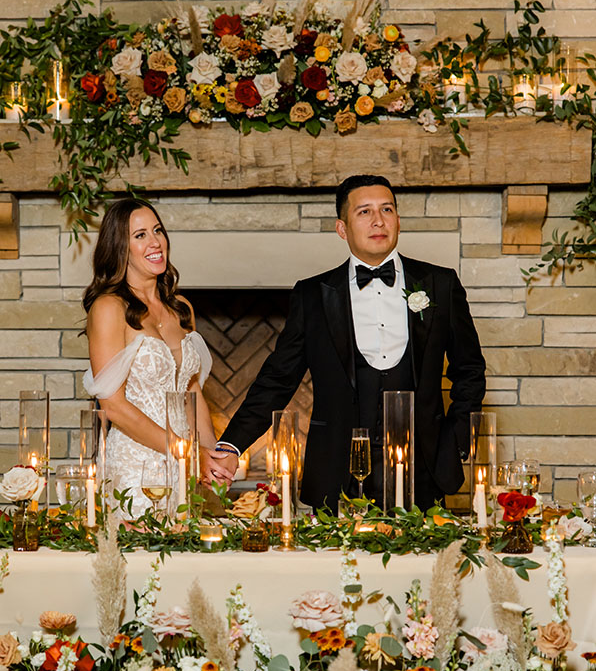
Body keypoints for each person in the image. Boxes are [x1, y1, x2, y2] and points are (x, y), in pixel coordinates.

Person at [206, 174, 486, 512]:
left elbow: (469, 369)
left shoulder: (440, 284)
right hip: (336, 468)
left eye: (387, 209)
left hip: (423, 467)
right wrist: (232, 445)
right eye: (364, 212)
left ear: (398, 220)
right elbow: (278, 379)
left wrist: (456, 441)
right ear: (342, 229)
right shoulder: (313, 295)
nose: (378, 220)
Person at [82, 197, 233, 516]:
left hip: (185, 465)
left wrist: (212, 457)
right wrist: (187, 452)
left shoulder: (181, 308)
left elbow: (192, 392)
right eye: (140, 235)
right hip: (137, 465)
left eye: (158, 230)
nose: (155, 242)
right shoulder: (109, 308)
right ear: (119, 247)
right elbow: (113, 406)